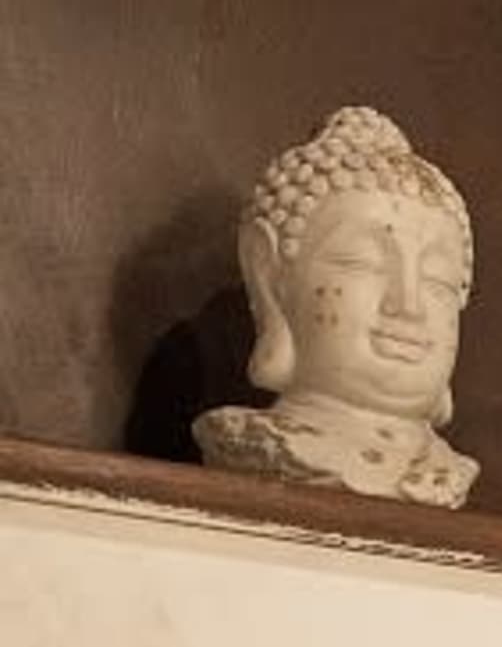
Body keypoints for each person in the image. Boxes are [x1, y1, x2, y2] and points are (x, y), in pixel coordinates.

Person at [196, 103, 479, 508]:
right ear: (270, 279)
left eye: (438, 281)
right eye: (362, 263)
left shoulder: (444, 471)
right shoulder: (261, 447)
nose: (408, 306)